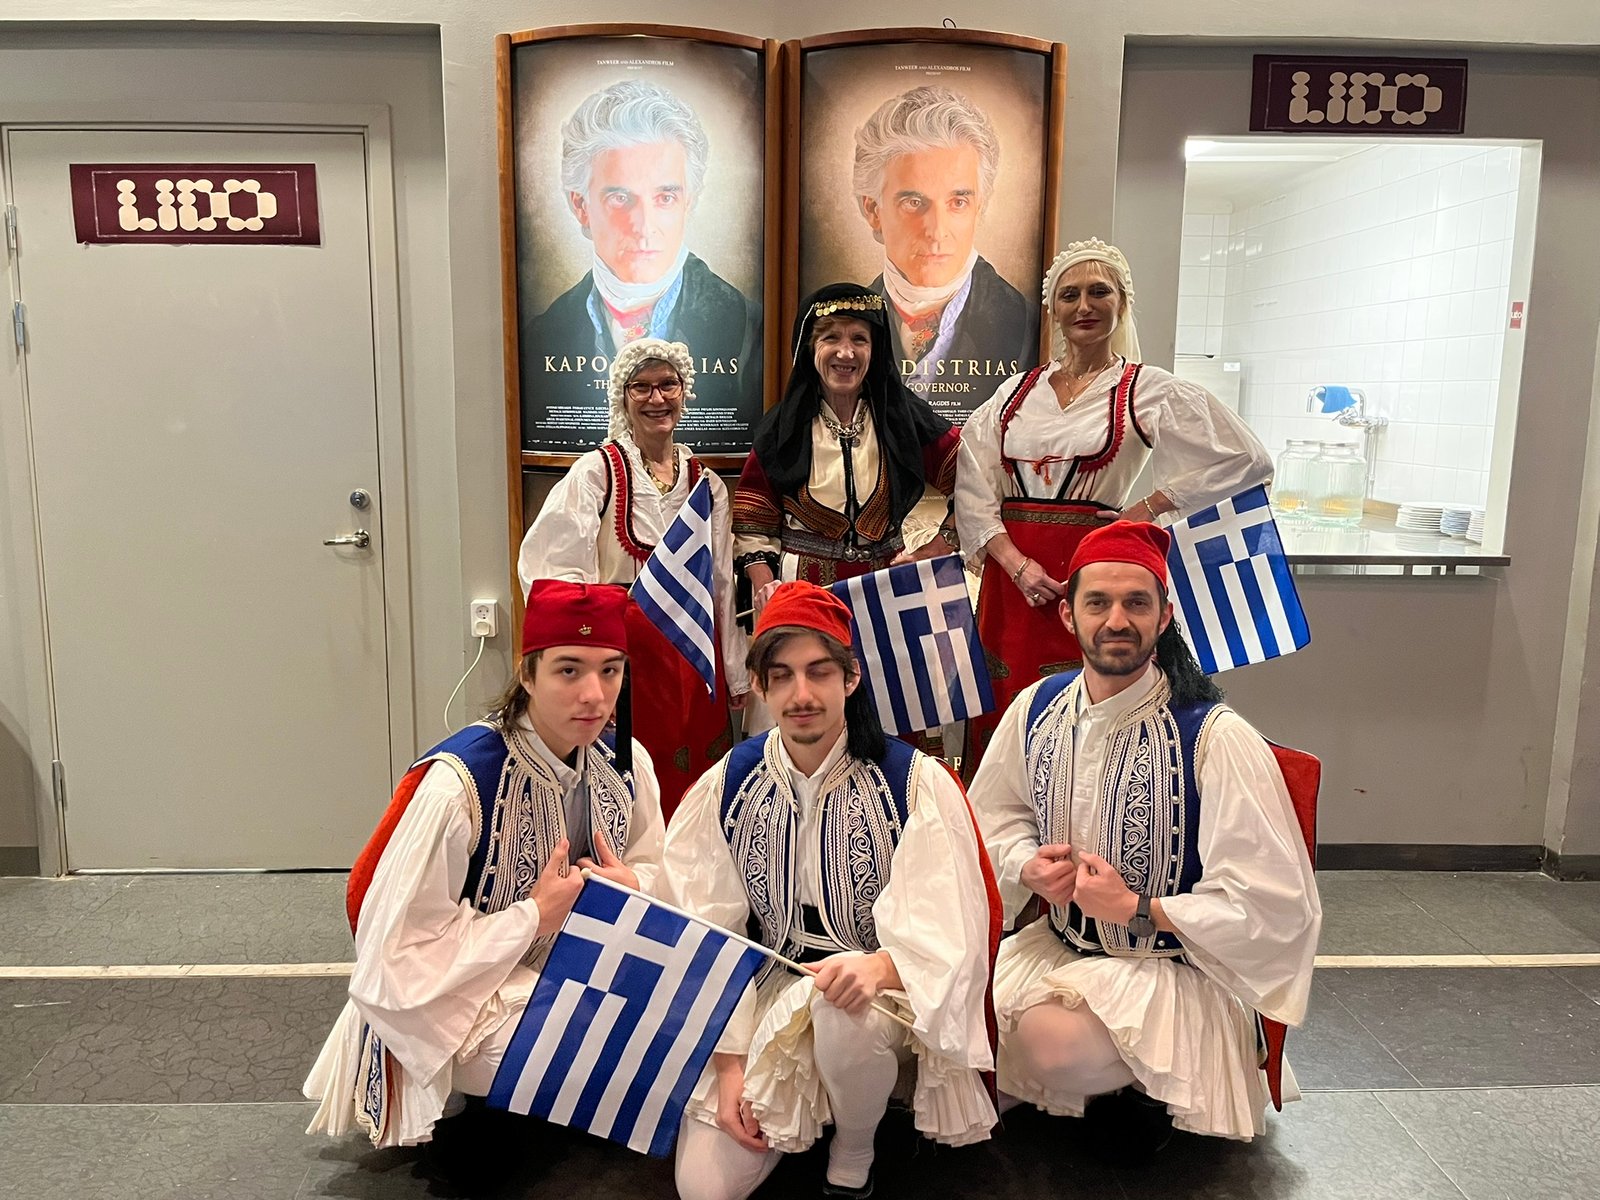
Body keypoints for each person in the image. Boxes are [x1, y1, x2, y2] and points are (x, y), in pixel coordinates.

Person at [968, 521, 1320, 1145]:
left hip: (1170, 971)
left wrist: (1140, 907)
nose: (1116, 620)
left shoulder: (1214, 736)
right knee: (944, 1014)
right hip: (1060, 949)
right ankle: (1107, 1081)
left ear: (1164, 617)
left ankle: (1149, 1081)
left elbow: (1274, 902)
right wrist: (1024, 864)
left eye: (1136, 602)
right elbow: (991, 818)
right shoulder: (1037, 707)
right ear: (1069, 615)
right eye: (1097, 602)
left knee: (1049, 1044)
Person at [661, 582, 999, 1200]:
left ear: (851, 677)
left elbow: (951, 924)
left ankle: (855, 1146)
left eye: (819, 672)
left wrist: (880, 967)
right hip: (766, 991)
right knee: (704, 1189)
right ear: (760, 686)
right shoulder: (728, 783)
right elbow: (704, 932)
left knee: (844, 1013)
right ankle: (799, 1099)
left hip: (879, 1001)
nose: (802, 695)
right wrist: (730, 1066)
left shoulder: (911, 781)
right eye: (782, 676)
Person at [303, 580, 665, 1153]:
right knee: (605, 1043)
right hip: (455, 994)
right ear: (528, 674)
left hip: (570, 966)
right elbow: (395, 954)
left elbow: (657, 865)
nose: (594, 695)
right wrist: (532, 917)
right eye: (569, 670)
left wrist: (635, 883)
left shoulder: (625, 760)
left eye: (610, 671)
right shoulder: (460, 785)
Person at [954, 237, 1272, 774]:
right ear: (1053, 310)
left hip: (1098, 572)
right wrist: (1016, 563)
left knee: (1086, 703)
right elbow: (973, 485)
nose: (1084, 306)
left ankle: (1090, 810)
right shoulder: (1014, 393)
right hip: (1012, 582)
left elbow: (1247, 458)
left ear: (1122, 303)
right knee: (1004, 702)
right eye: (1070, 295)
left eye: (1099, 292)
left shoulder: (1146, 389)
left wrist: (1149, 507)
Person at [519, 338, 748, 817]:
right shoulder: (597, 473)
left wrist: (734, 671)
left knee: (697, 785)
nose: (656, 398)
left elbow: (722, 586)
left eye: (668, 385)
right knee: (628, 776)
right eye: (641, 387)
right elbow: (552, 569)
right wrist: (582, 655)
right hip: (624, 658)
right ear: (622, 397)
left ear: (684, 392)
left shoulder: (708, 485)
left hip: (694, 655)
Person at [521, 79, 761, 437]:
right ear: (580, 205)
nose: (644, 226)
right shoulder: (540, 337)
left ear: (688, 202)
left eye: (665, 198)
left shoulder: (749, 329)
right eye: (620, 198)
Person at [734, 283, 962, 619]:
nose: (846, 353)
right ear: (810, 348)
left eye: (859, 339)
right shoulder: (781, 430)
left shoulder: (905, 420)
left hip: (888, 594)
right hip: (804, 595)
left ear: (875, 350)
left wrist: (938, 547)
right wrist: (766, 586)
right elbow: (754, 523)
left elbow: (974, 484)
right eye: (831, 338)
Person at [853, 85, 1037, 408]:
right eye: (914, 202)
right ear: (873, 210)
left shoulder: (1027, 328)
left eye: (958, 202)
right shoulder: (845, 321)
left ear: (979, 208)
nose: (937, 232)